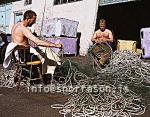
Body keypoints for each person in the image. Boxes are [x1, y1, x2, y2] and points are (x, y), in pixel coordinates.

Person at [4, 10, 62, 77]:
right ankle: (47, 74)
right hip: (24, 56)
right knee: (45, 55)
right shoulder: (24, 29)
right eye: (33, 20)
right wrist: (55, 45)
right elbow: (38, 42)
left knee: (42, 49)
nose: (34, 22)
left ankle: (36, 72)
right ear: (28, 19)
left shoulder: (16, 25)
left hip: (18, 54)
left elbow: (22, 39)